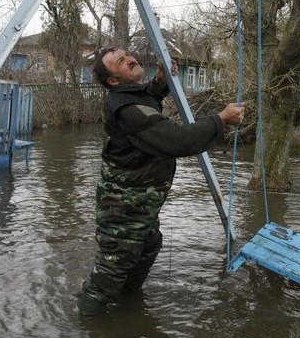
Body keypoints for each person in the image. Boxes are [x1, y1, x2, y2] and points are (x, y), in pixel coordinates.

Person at [77, 47, 245, 315]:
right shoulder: (128, 110)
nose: (131, 59)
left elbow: (148, 101)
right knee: (107, 280)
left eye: (127, 55)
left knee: (149, 245)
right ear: (113, 81)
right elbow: (177, 141)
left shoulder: (131, 96)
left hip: (141, 208)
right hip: (122, 213)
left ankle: (127, 312)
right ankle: (86, 334)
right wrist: (221, 119)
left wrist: (160, 83)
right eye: (121, 62)